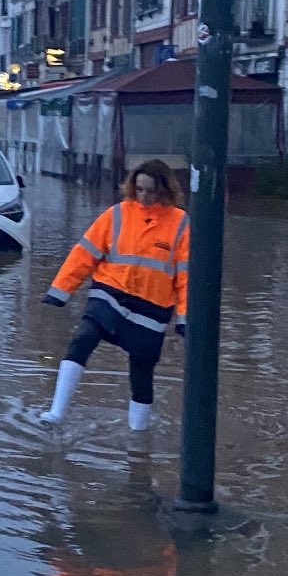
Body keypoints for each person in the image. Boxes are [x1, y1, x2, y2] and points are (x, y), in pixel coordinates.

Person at [38, 160, 189, 434]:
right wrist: (59, 292)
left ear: (164, 190)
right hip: (109, 293)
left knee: (142, 372)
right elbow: (84, 254)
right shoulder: (116, 214)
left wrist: (184, 318)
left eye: (150, 191)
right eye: (139, 190)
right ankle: (56, 412)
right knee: (83, 338)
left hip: (151, 309)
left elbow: (185, 277)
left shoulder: (180, 224)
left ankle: (138, 434)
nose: (143, 197)